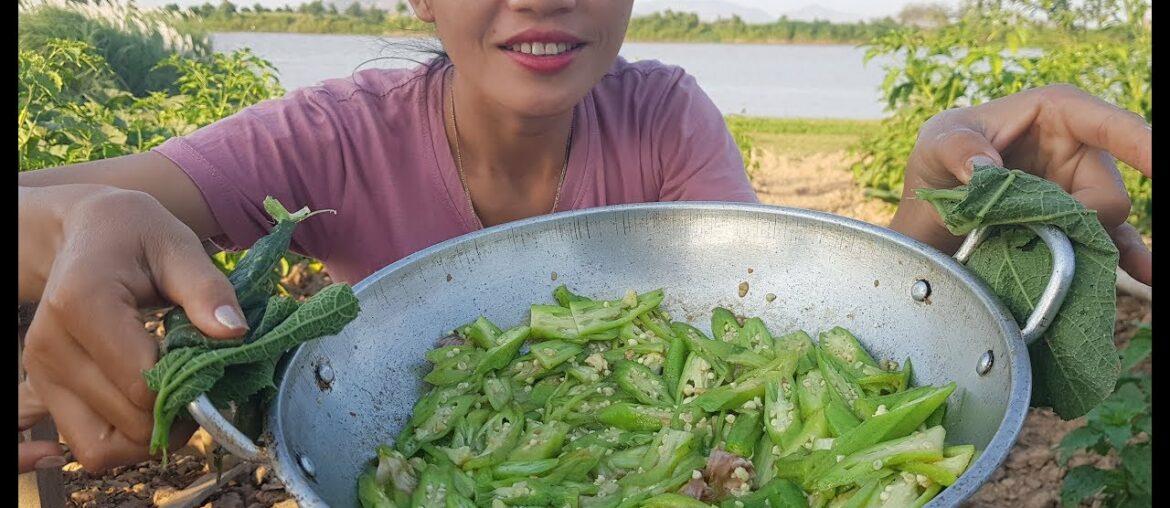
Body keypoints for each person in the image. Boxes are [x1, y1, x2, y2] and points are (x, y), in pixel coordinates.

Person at [17, 0, 1151, 473]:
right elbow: (40, 207)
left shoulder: (663, 118)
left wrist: (942, 212)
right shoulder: (333, 137)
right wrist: (85, 214)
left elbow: (786, 327)